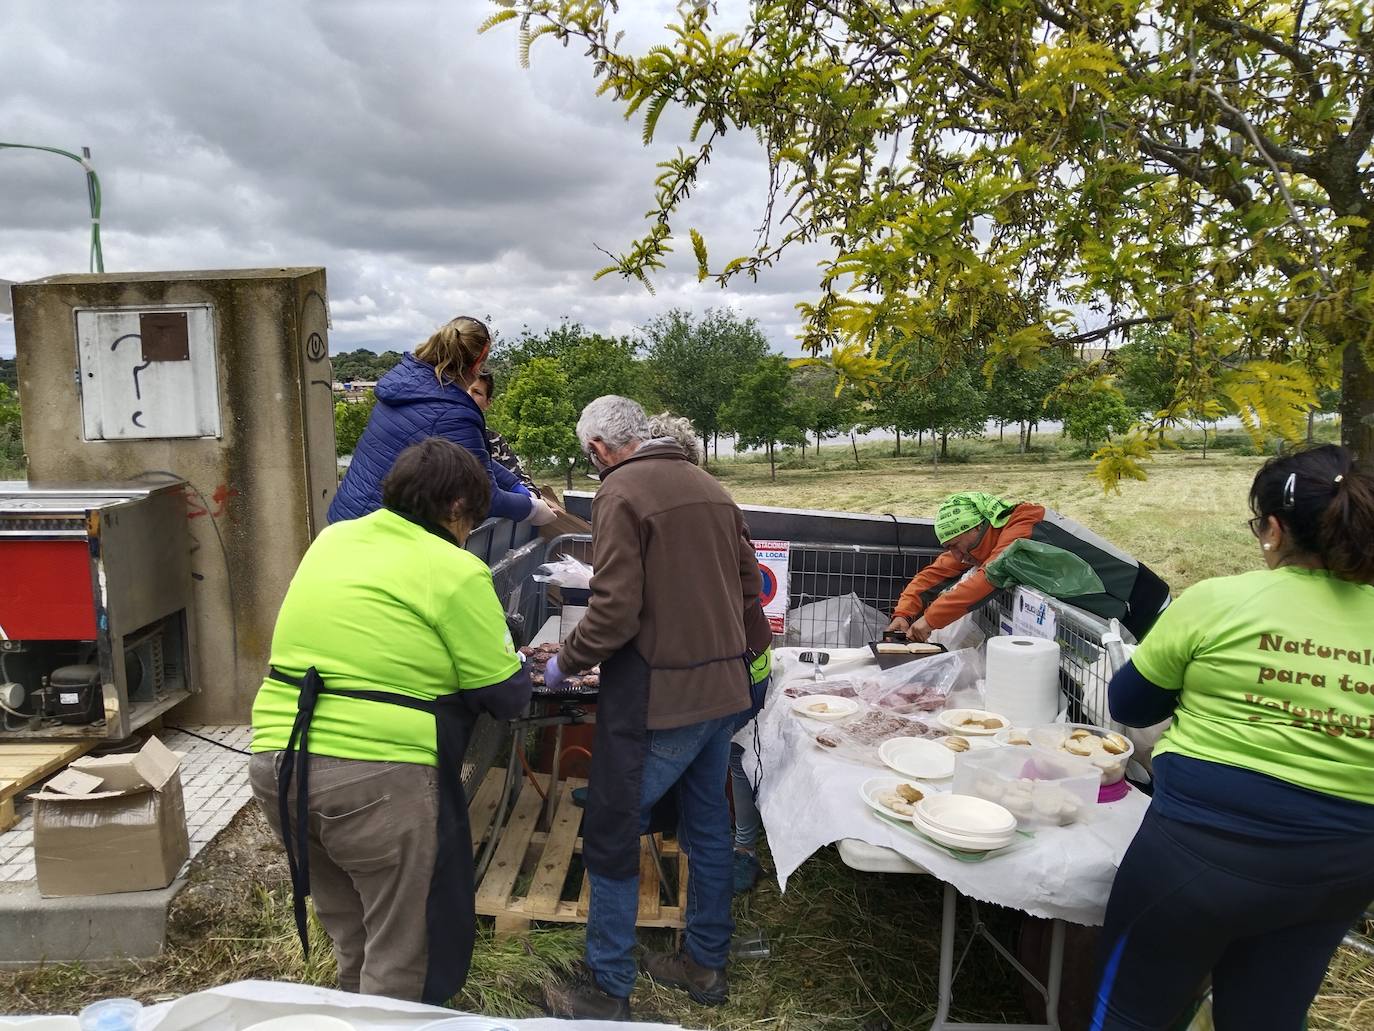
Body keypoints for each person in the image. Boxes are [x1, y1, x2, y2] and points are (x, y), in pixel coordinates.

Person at [1091, 444, 1374, 1031]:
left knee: (1130, 1014)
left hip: (1198, 853)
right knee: (1268, 1017)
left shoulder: (1219, 600)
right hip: (1345, 865)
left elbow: (1129, 705)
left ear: (1273, 529)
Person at [248, 438, 533, 1004]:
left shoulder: (333, 540)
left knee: (353, 932)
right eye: (472, 518)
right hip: (375, 780)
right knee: (403, 953)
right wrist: (514, 653)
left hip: (278, 765)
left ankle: (352, 1012)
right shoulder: (455, 568)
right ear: (456, 508)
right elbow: (504, 693)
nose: (470, 531)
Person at [538, 397, 773, 1020]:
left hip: (658, 702)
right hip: (722, 695)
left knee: (613, 830)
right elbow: (751, 591)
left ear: (597, 450)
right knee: (708, 831)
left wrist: (563, 664)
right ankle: (704, 963)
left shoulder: (620, 492)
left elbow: (614, 613)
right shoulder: (712, 487)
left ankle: (606, 988)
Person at [646, 411, 771, 893]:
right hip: (739, 658)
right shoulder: (710, 501)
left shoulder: (694, 510)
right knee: (715, 762)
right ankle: (717, 852)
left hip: (734, 663)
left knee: (721, 759)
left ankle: (736, 852)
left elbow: (742, 587)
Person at [328, 316, 555, 527]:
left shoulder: (407, 387)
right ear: (477, 366)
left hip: (347, 521)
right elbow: (482, 497)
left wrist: (515, 484)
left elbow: (469, 459)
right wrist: (531, 509)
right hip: (380, 536)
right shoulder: (451, 412)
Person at [886, 491, 1170, 642]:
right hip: (1106, 617)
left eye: (957, 546)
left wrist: (929, 621)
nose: (958, 557)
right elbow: (933, 575)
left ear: (980, 527)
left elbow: (988, 578)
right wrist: (905, 614)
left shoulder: (1024, 529)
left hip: (1142, 605)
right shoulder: (983, 540)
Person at [469, 370, 540, 495]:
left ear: (487, 403)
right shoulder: (438, 436)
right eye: (463, 389)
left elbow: (522, 480)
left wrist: (532, 499)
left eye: (477, 392)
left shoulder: (495, 440)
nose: (468, 395)